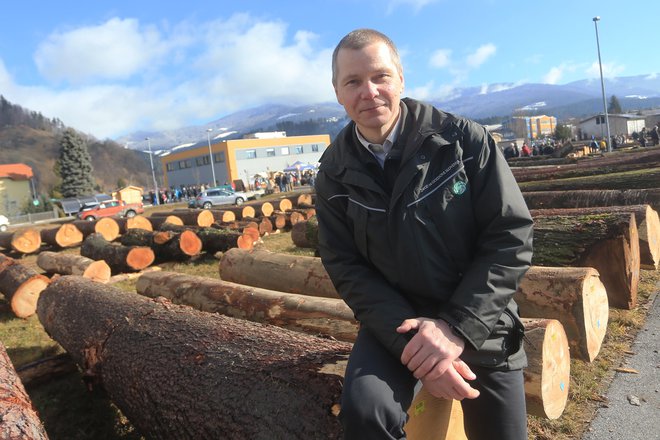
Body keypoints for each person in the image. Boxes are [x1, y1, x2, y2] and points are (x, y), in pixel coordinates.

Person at [315, 29, 533, 440]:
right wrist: (418, 350)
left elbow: (510, 237)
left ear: (400, 78)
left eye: (380, 76)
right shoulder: (332, 174)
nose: (370, 91)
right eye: (353, 82)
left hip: (479, 318)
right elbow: (345, 267)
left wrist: (455, 329)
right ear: (338, 92)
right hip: (395, 327)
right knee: (366, 414)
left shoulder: (462, 141)